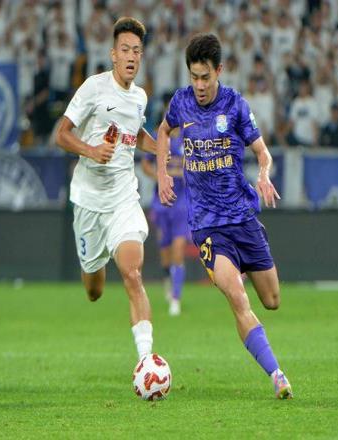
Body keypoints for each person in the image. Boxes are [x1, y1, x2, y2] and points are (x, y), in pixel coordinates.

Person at [156, 33, 293, 399]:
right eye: (194, 77)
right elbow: (163, 130)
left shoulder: (235, 105)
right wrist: (162, 172)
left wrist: (264, 174)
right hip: (207, 226)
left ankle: (243, 261)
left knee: (272, 300)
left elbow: (263, 152)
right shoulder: (181, 103)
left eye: (205, 77)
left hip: (242, 218)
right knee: (237, 296)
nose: (199, 86)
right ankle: (277, 374)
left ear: (219, 71)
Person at [55, 17, 157, 360]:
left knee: (132, 272)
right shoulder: (94, 88)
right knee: (94, 291)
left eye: (137, 51)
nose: (131, 56)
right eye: (125, 49)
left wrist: (163, 150)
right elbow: (61, 134)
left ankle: (146, 360)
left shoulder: (140, 97)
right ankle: (93, 268)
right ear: (114, 55)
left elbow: (136, 134)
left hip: (123, 199)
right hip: (88, 202)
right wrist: (91, 150)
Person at [142, 133, 189, 316]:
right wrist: (160, 176)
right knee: (165, 251)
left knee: (178, 248)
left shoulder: (189, 136)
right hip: (161, 203)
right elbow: (145, 164)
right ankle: (168, 281)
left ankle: (176, 298)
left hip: (182, 204)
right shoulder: (158, 137)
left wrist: (185, 173)